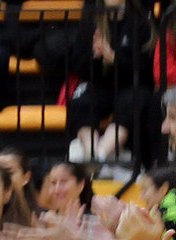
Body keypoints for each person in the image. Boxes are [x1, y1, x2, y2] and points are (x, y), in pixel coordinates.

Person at [65, 0, 155, 168]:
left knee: (131, 103)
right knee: (81, 102)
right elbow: (77, 63)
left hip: (133, 84)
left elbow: (146, 68)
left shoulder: (141, 21)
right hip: (101, 83)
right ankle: (91, 154)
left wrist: (114, 58)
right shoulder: (91, 21)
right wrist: (95, 56)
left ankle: (101, 155)